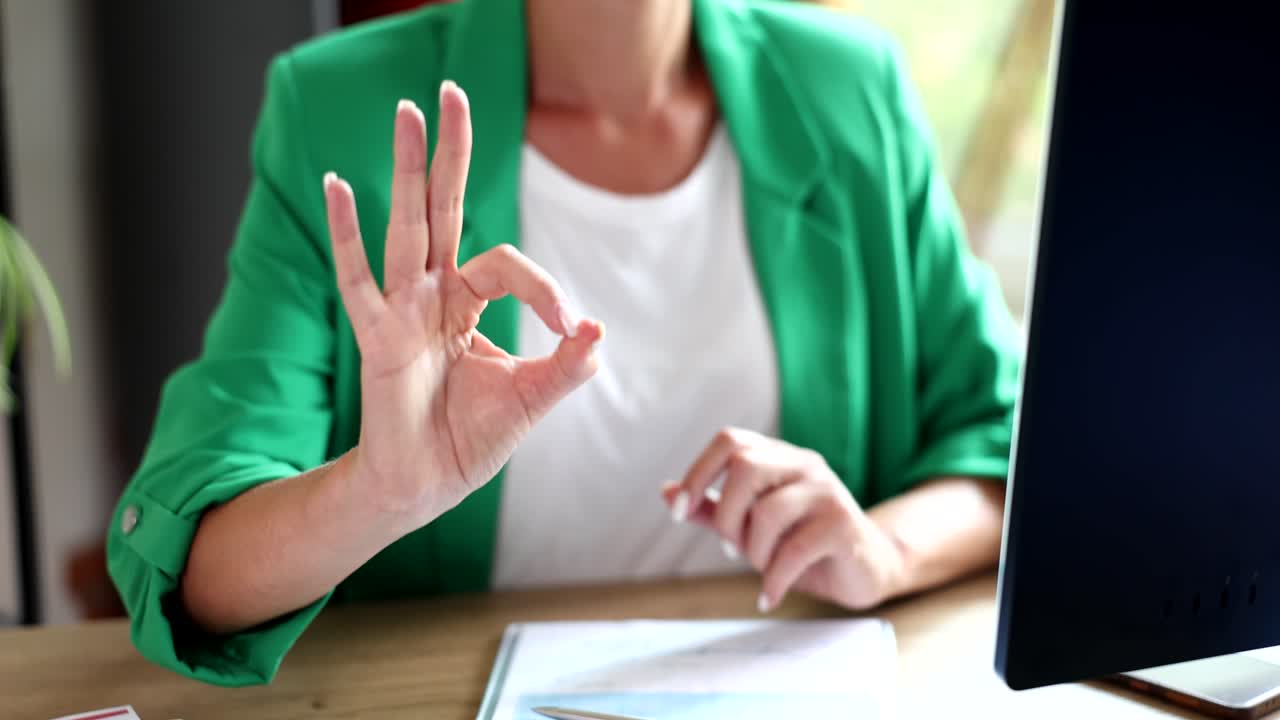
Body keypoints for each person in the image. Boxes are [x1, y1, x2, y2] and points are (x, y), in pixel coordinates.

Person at [107, 0, 1020, 687]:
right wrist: (378, 492)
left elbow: (1013, 443)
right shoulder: (335, 107)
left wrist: (884, 551)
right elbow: (196, 569)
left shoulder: (849, 87)